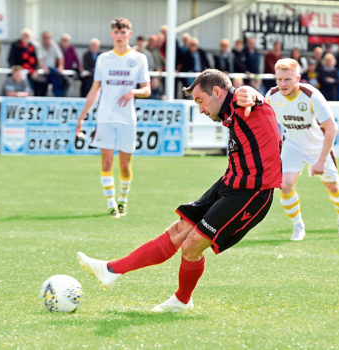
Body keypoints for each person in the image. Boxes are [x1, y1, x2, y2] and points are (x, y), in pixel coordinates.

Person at [77, 69, 281, 312]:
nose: (202, 109)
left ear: (217, 92)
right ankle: (110, 270)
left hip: (253, 193)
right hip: (230, 183)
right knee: (179, 230)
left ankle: (182, 300)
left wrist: (252, 93)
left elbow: (254, 99)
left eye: (200, 101)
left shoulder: (245, 101)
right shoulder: (227, 111)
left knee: (192, 244)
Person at [266, 58, 339, 240]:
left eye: (287, 79)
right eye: (279, 79)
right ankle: (298, 226)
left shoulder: (311, 95)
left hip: (317, 146)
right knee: (285, 185)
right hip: (292, 145)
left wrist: (321, 160)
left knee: (333, 187)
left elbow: (331, 128)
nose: (282, 84)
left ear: (298, 78)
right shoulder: (271, 96)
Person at [75, 18, 151, 217]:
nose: (119, 35)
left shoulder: (139, 58)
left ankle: (123, 200)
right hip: (105, 117)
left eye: (123, 32)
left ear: (129, 33)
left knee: (125, 165)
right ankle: (111, 205)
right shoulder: (103, 58)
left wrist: (133, 93)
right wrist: (82, 116)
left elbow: (147, 89)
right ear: (112, 34)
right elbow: (95, 89)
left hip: (127, 118)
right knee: (106, 161)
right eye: (116, 32)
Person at [35, 30, 66, 97]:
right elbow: (39, 59)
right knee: (42, 87)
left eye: (48, 37)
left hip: (52, 71)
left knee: (59, 83)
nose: (47, 39)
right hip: (42, 72)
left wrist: (60, 66)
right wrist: (43, 68)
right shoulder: (39, 46)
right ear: (42, 38)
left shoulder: (54, 45)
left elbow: (60, 57)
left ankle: (59, 98)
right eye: (45, 37)